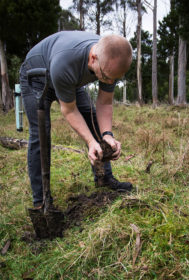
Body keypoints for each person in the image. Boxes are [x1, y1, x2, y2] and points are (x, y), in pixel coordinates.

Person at [19, 31, 133, 208]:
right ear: (93, 58)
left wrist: (107, 135)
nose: (109, 82)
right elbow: (69, 110)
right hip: (37, 75)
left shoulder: (110, 60)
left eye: (114, 79)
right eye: (106, 77)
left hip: (68, 78)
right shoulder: (66, 62)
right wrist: (90, 142)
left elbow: (104, 103)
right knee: (41, 134)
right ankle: (41, 201)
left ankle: (104, 178)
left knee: (90, 114)